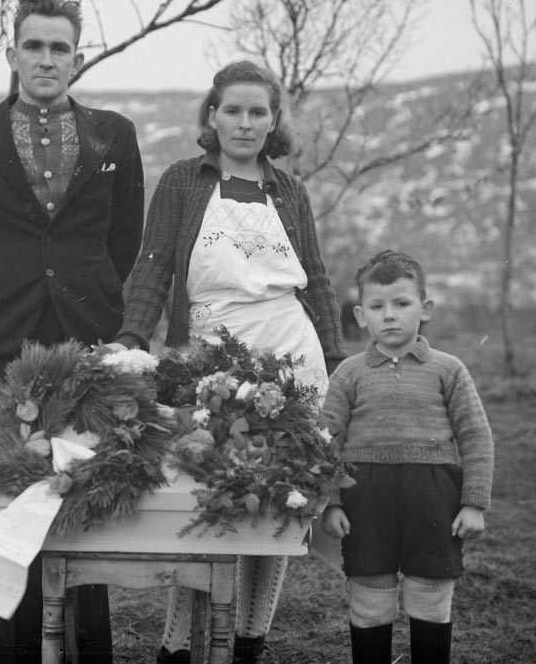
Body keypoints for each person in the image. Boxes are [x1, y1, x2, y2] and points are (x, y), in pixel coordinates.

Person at [112, 59, 347, 664]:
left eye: (258, 112)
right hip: (207, 362)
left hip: (292, 359)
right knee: (205, 500)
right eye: (233, 111)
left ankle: (249, 639)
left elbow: (315, 280)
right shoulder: (183, 182)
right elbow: (154, 263)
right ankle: (177, 646)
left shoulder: (290, 192)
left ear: (274, 122)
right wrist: (134, 336)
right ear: (212, 117)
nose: (245, 124)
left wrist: (337, 357)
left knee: (278, 499)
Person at [0, 0, 145, 664]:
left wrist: (91, 303)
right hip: (2, 341)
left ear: (77, 58)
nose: (47, 58)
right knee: (6, 493)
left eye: (60, 47)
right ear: (13, 53)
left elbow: (125, 239)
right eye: (34, 45)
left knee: (84, 493)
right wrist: (2, 297)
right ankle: (10, 650)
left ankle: (89, 651)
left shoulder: (114, 134)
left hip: (87, 337)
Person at [319, 250, 494, 664]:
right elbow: (326, 439)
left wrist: (474, 503)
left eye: (402, 303)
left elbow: (476, 437)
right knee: (369, 591)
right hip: (365, 497)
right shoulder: (349, 373)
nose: (390, 316)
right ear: (362, 316)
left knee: (431, 591)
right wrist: (330, 500)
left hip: (433, 499)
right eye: (377, 307)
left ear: (425, 308)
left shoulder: (448, 370)